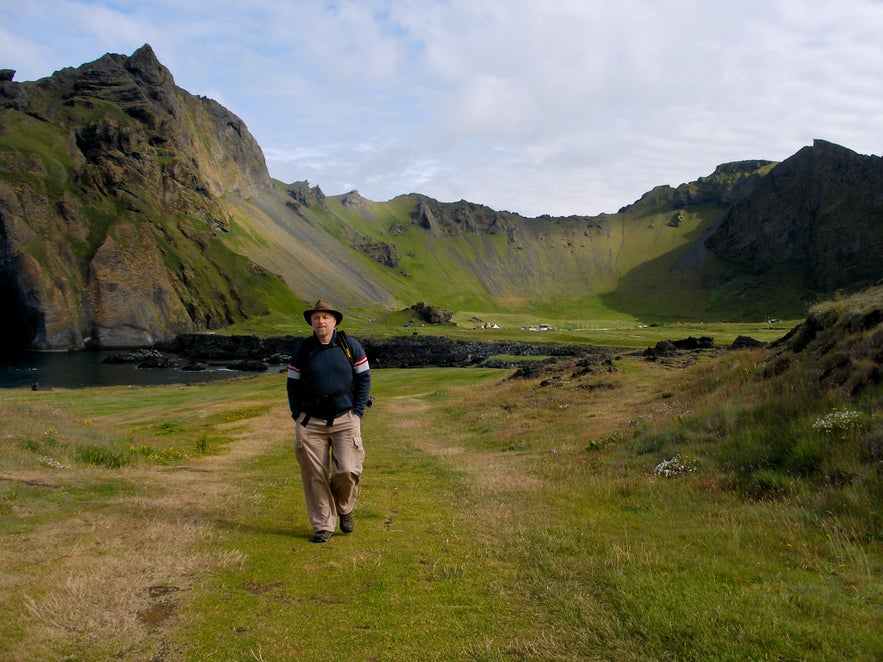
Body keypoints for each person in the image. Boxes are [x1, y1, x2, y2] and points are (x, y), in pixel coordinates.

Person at [287, 300, 371, 543]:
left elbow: (364, 379)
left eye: (325, 317)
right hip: (311, 422)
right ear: (311, 323)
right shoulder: (302, 350)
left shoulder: (349, 346)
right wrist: (297, 414)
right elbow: (292, 383)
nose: (320, 321)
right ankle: (323, 526)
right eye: (316, 318)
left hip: (346, 418)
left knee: (348, 469)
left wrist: (357, 411)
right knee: (315, 475)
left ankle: (344, 509)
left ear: (334, 321)